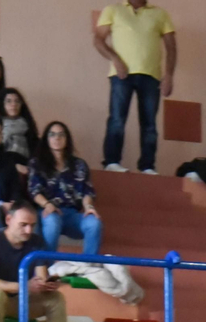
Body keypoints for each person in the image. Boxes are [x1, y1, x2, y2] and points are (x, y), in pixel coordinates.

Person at [94, 0, 176, 175]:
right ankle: (112, 162)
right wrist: (115, 59)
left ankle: (147, 166)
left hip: (151, 76)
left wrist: (169, 75)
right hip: (121, 75)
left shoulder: (160, 14)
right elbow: (98, 40)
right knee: (117, 119)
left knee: (149, 124)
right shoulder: (113, 10)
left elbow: (171, 47)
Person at [0, 202, 67, 322]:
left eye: (32, 225)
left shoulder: (37, 241)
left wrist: (47, 284)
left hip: (18, 301)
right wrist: (24, 286)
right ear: (8, 220)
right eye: (23, 225)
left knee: (56, 299)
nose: (28, 230)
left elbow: (40, 277)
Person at [28, 122, 103, 257]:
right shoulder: (37, 163)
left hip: (71, 214)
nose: (57, 138)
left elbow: (87, 191)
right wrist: (47, 204)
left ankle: (88, 265)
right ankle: (47, 265)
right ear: (46, 139)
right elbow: (34, 190)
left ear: (67, 139)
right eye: (52, 134)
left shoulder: (79, 165)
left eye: (61, 134)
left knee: (94, 223)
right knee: (52, 221)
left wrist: (89, 207)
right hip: (46, 212)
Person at [0, 89, 37, 166]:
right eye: (9, 101)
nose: (13, 104)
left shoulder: (28, 126)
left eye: (17, 101)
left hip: (24, 166)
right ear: (2, 104)